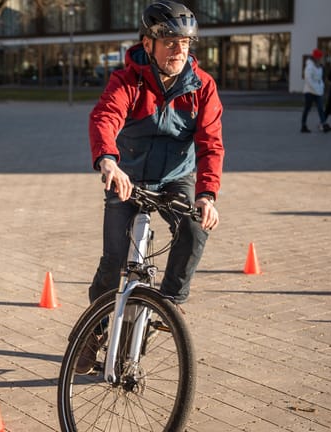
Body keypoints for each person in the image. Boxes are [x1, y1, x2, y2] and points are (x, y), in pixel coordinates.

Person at [79, 0, 224, 374]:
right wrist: (108, 161)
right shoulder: (127, 80)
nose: (179, 50)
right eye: (171, 42)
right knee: (113, 262)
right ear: (149, 44)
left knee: (195, 227)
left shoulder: (202, 87)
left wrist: (207, 195)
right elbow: (106, 116)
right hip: (127, 176)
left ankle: (168, 305)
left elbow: (210, 144)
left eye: (186, 44)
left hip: (177, 176)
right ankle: (93, 332)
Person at [301, 48, 331, 133]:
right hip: (309, 91)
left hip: (318, 91)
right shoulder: (309, 66)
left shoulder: (319, 66)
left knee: (320, 108)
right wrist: (316, 88)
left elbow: (320, 79)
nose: (321, 58)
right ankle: (303, 126)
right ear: (316, 57)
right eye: (320, 57)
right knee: (307, 109)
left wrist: (321, 87)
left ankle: (324, 124)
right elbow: (308, 79)